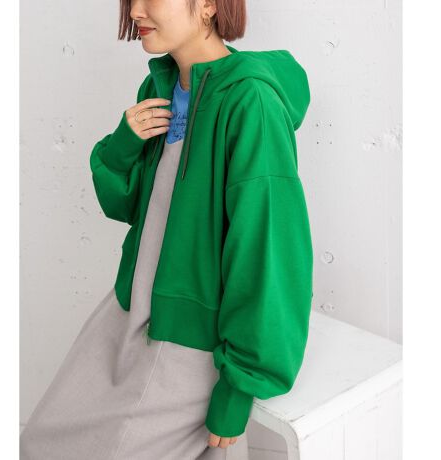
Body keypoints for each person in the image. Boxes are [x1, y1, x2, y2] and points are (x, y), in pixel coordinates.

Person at [20, 0, 314, 458]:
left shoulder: (250, 102)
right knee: (39, 443)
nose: (136, 10)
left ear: (208, 5)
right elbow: (129, 206)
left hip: (188, 342)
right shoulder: (160, 86)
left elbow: (269, 252)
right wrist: (123, 144)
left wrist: (239, 387)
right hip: (129, 312)